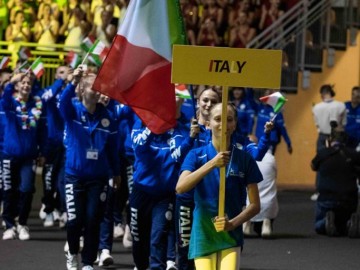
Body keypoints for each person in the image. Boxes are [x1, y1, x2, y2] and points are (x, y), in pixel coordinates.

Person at [176, 103, 262, 270]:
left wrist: (233, 223)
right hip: (203, 233)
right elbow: (180, 187)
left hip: (230, 234)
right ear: (207, 124)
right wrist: (212, 164)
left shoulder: (245, 159)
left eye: (229, 119)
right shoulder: (195, 155)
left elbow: (255, 205)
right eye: (217, 119)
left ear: (235, 124)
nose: (224, 124)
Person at [59, 66, 121, 270]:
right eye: (94, 86)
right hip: (74, 177)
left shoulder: (107, 117)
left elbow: (112, 148)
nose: (98, 90)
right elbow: (62, 103)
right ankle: (72, 254)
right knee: (75, 220)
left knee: (93, 220)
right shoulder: (73, 111)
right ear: (83, 90)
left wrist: (116, 172)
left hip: (99, 178)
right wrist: (72, 82)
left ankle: (87, 262)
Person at [1, 72, 45, 241]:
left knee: (26, 189)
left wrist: (42, 152)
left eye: (28, 83)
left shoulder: (37, 105)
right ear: (18, 86)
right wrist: (11, 82)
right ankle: (9, 225)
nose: (25, 85)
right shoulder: (10, 103)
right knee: (8, 190)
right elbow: (4, 99)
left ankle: (22, 224)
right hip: (9, 155)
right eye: (22, 83)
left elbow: (41, 131)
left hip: (29, 156)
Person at [311, 125, 360, 237]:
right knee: (342, 224)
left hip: (326, 198)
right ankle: (349, 222)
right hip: (348, 198)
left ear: (330, 139)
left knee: (318, 225)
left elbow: (313, 166)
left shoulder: (323, 153)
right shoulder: (354, 154)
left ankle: (326, 221)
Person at [312, 84, 346, 200]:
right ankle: (338, 190)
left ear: (322, 94)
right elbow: (343, 124)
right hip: (336, 136)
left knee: (321, 163)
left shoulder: (316, 107)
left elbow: (317, 125)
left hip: (322, 136)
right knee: (338, 163)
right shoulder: (341, 106)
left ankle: (319, 191)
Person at [243, 136, 278, 238]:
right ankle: (266, 223)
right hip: (269, 205)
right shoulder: (271, 158)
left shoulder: (244, 158)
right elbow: (275, 176)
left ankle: (246, 224)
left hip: (250, 205)